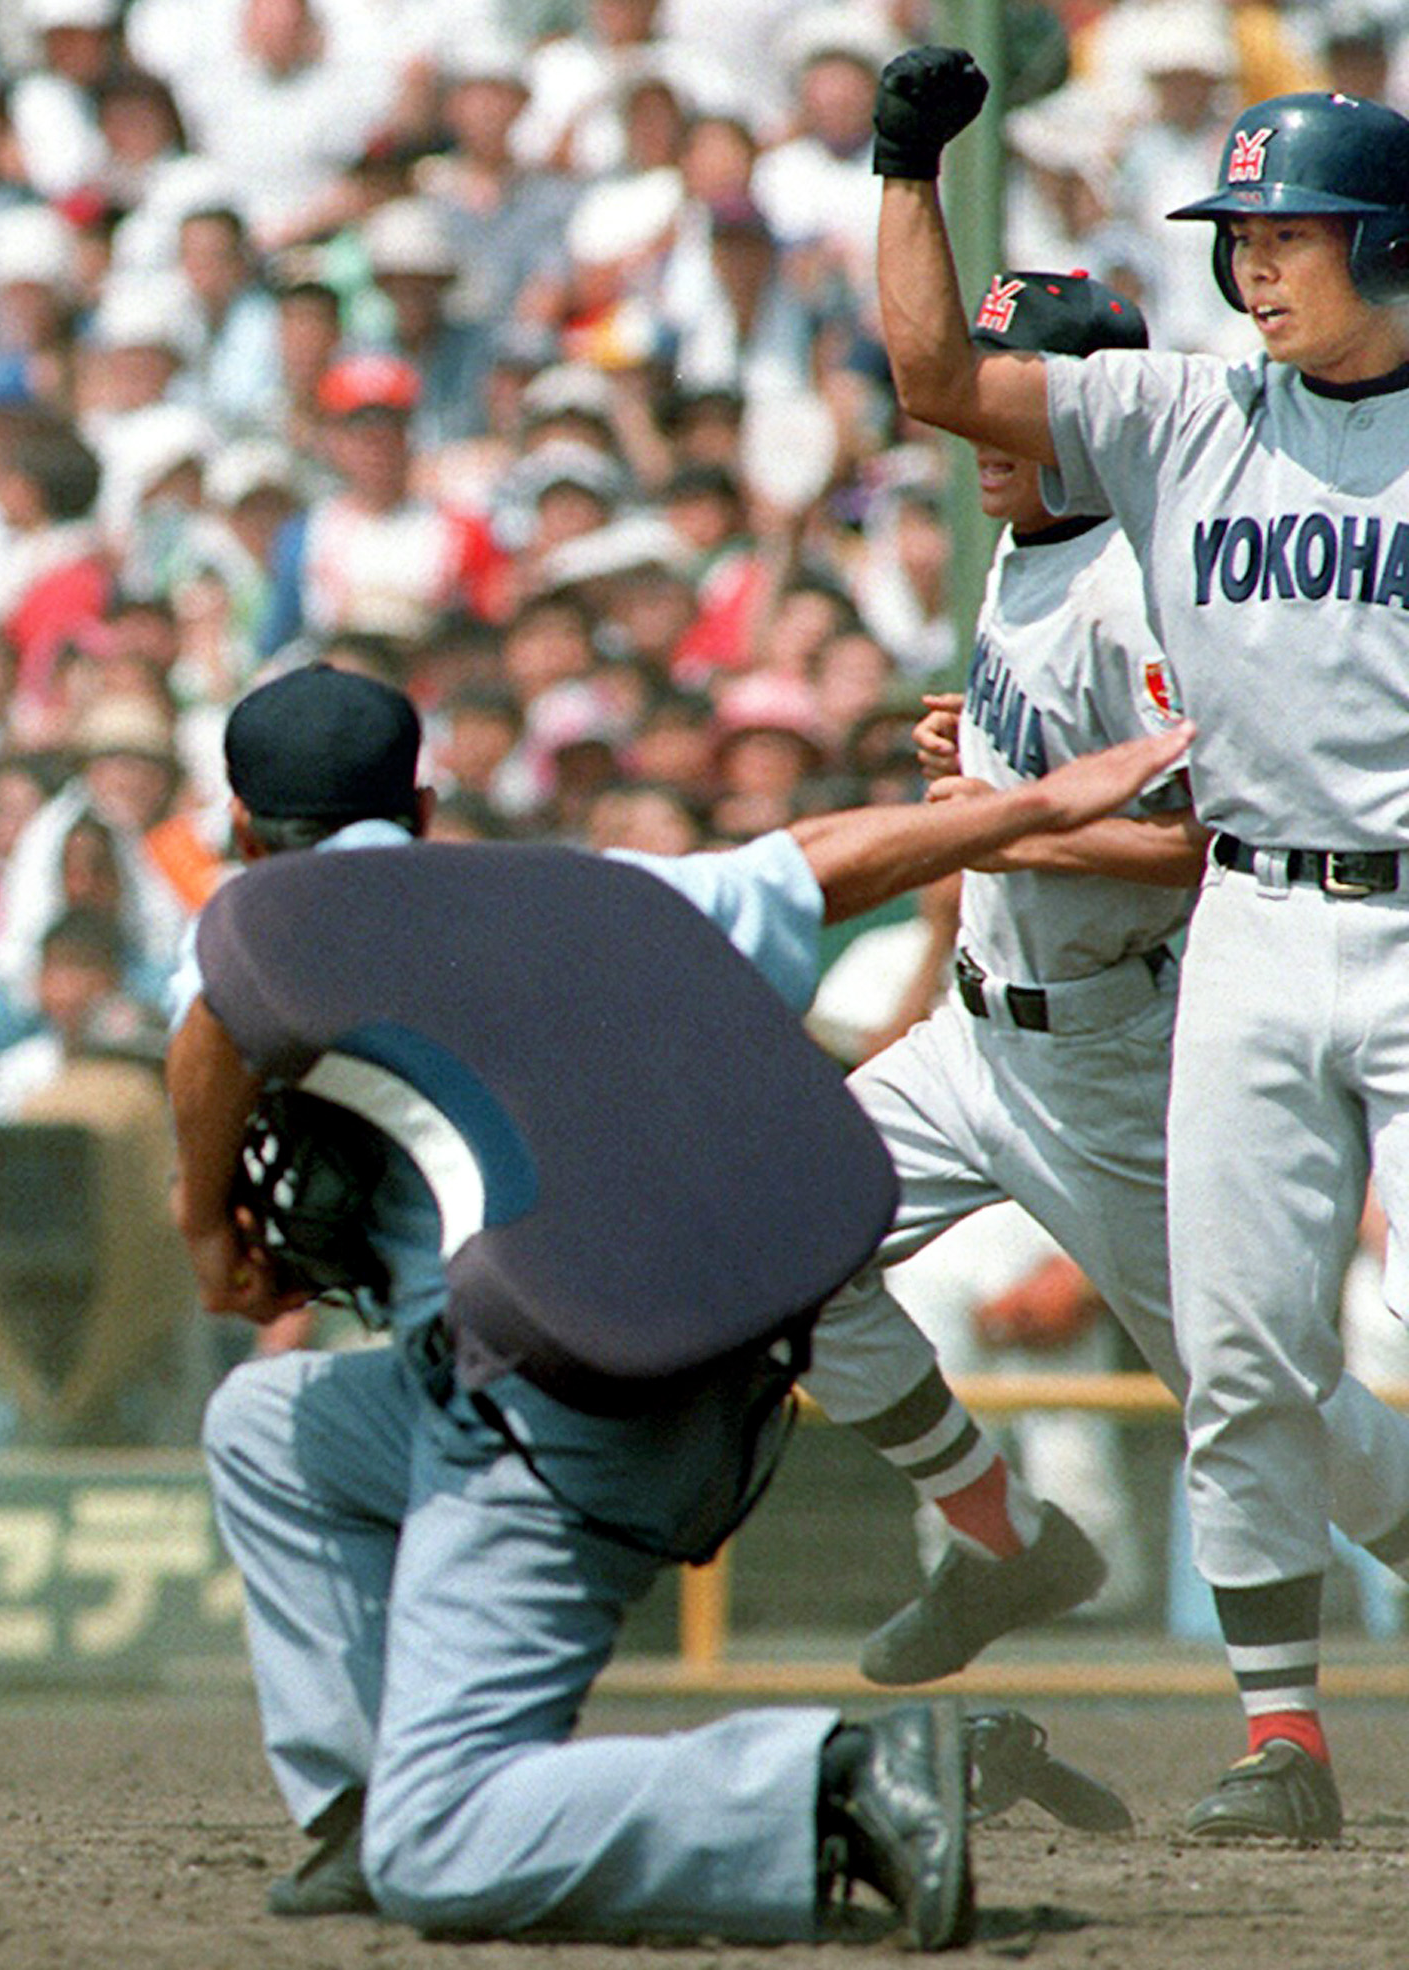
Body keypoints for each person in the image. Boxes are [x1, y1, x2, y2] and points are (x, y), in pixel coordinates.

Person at [171, 661, 1188, 1942]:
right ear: (423, 804)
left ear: (242, 831)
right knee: (266, 1426)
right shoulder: (591, 885)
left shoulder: (268, 924)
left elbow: (208, 1019)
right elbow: (823, 857)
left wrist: (202, 1222)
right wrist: (1022, 809)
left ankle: (831, 1777)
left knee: (452, 1848)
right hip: (708, 1366)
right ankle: (354, 1812)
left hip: (547, 1402)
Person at [870, 48, 1409, 1843]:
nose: (1251, 263)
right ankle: (1286, 1746)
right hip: (1252, 918)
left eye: (1287, 232)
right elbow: (938, 377)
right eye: (1237, 232)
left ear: (1387, 242)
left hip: (1381, 924)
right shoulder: (1176, 411)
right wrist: (902, 171)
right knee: (1246, 1362)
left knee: (1353, 1358)